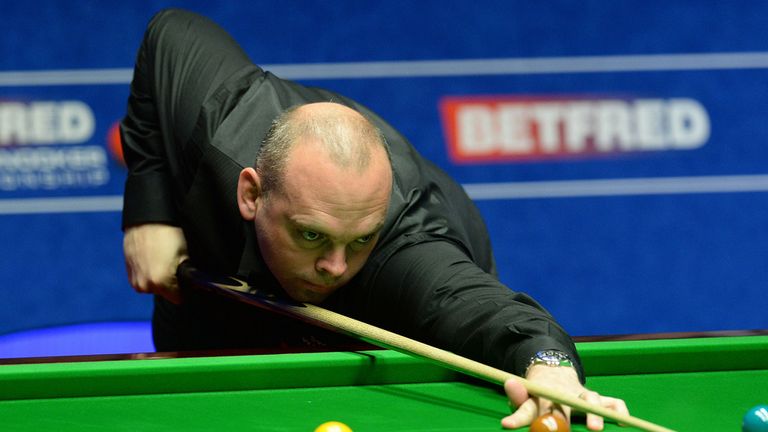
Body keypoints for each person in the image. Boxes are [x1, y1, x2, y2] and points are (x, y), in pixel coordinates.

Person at [120, 8, 628, 430]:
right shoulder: (217, 125)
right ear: (250, 192)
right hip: (217, 274)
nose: (336, 266)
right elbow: (171, 31)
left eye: (357, 239)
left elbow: (504, 320)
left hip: (379, 302)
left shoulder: (402, 253)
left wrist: (553, 368)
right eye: (312, 235)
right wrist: (150, 211)